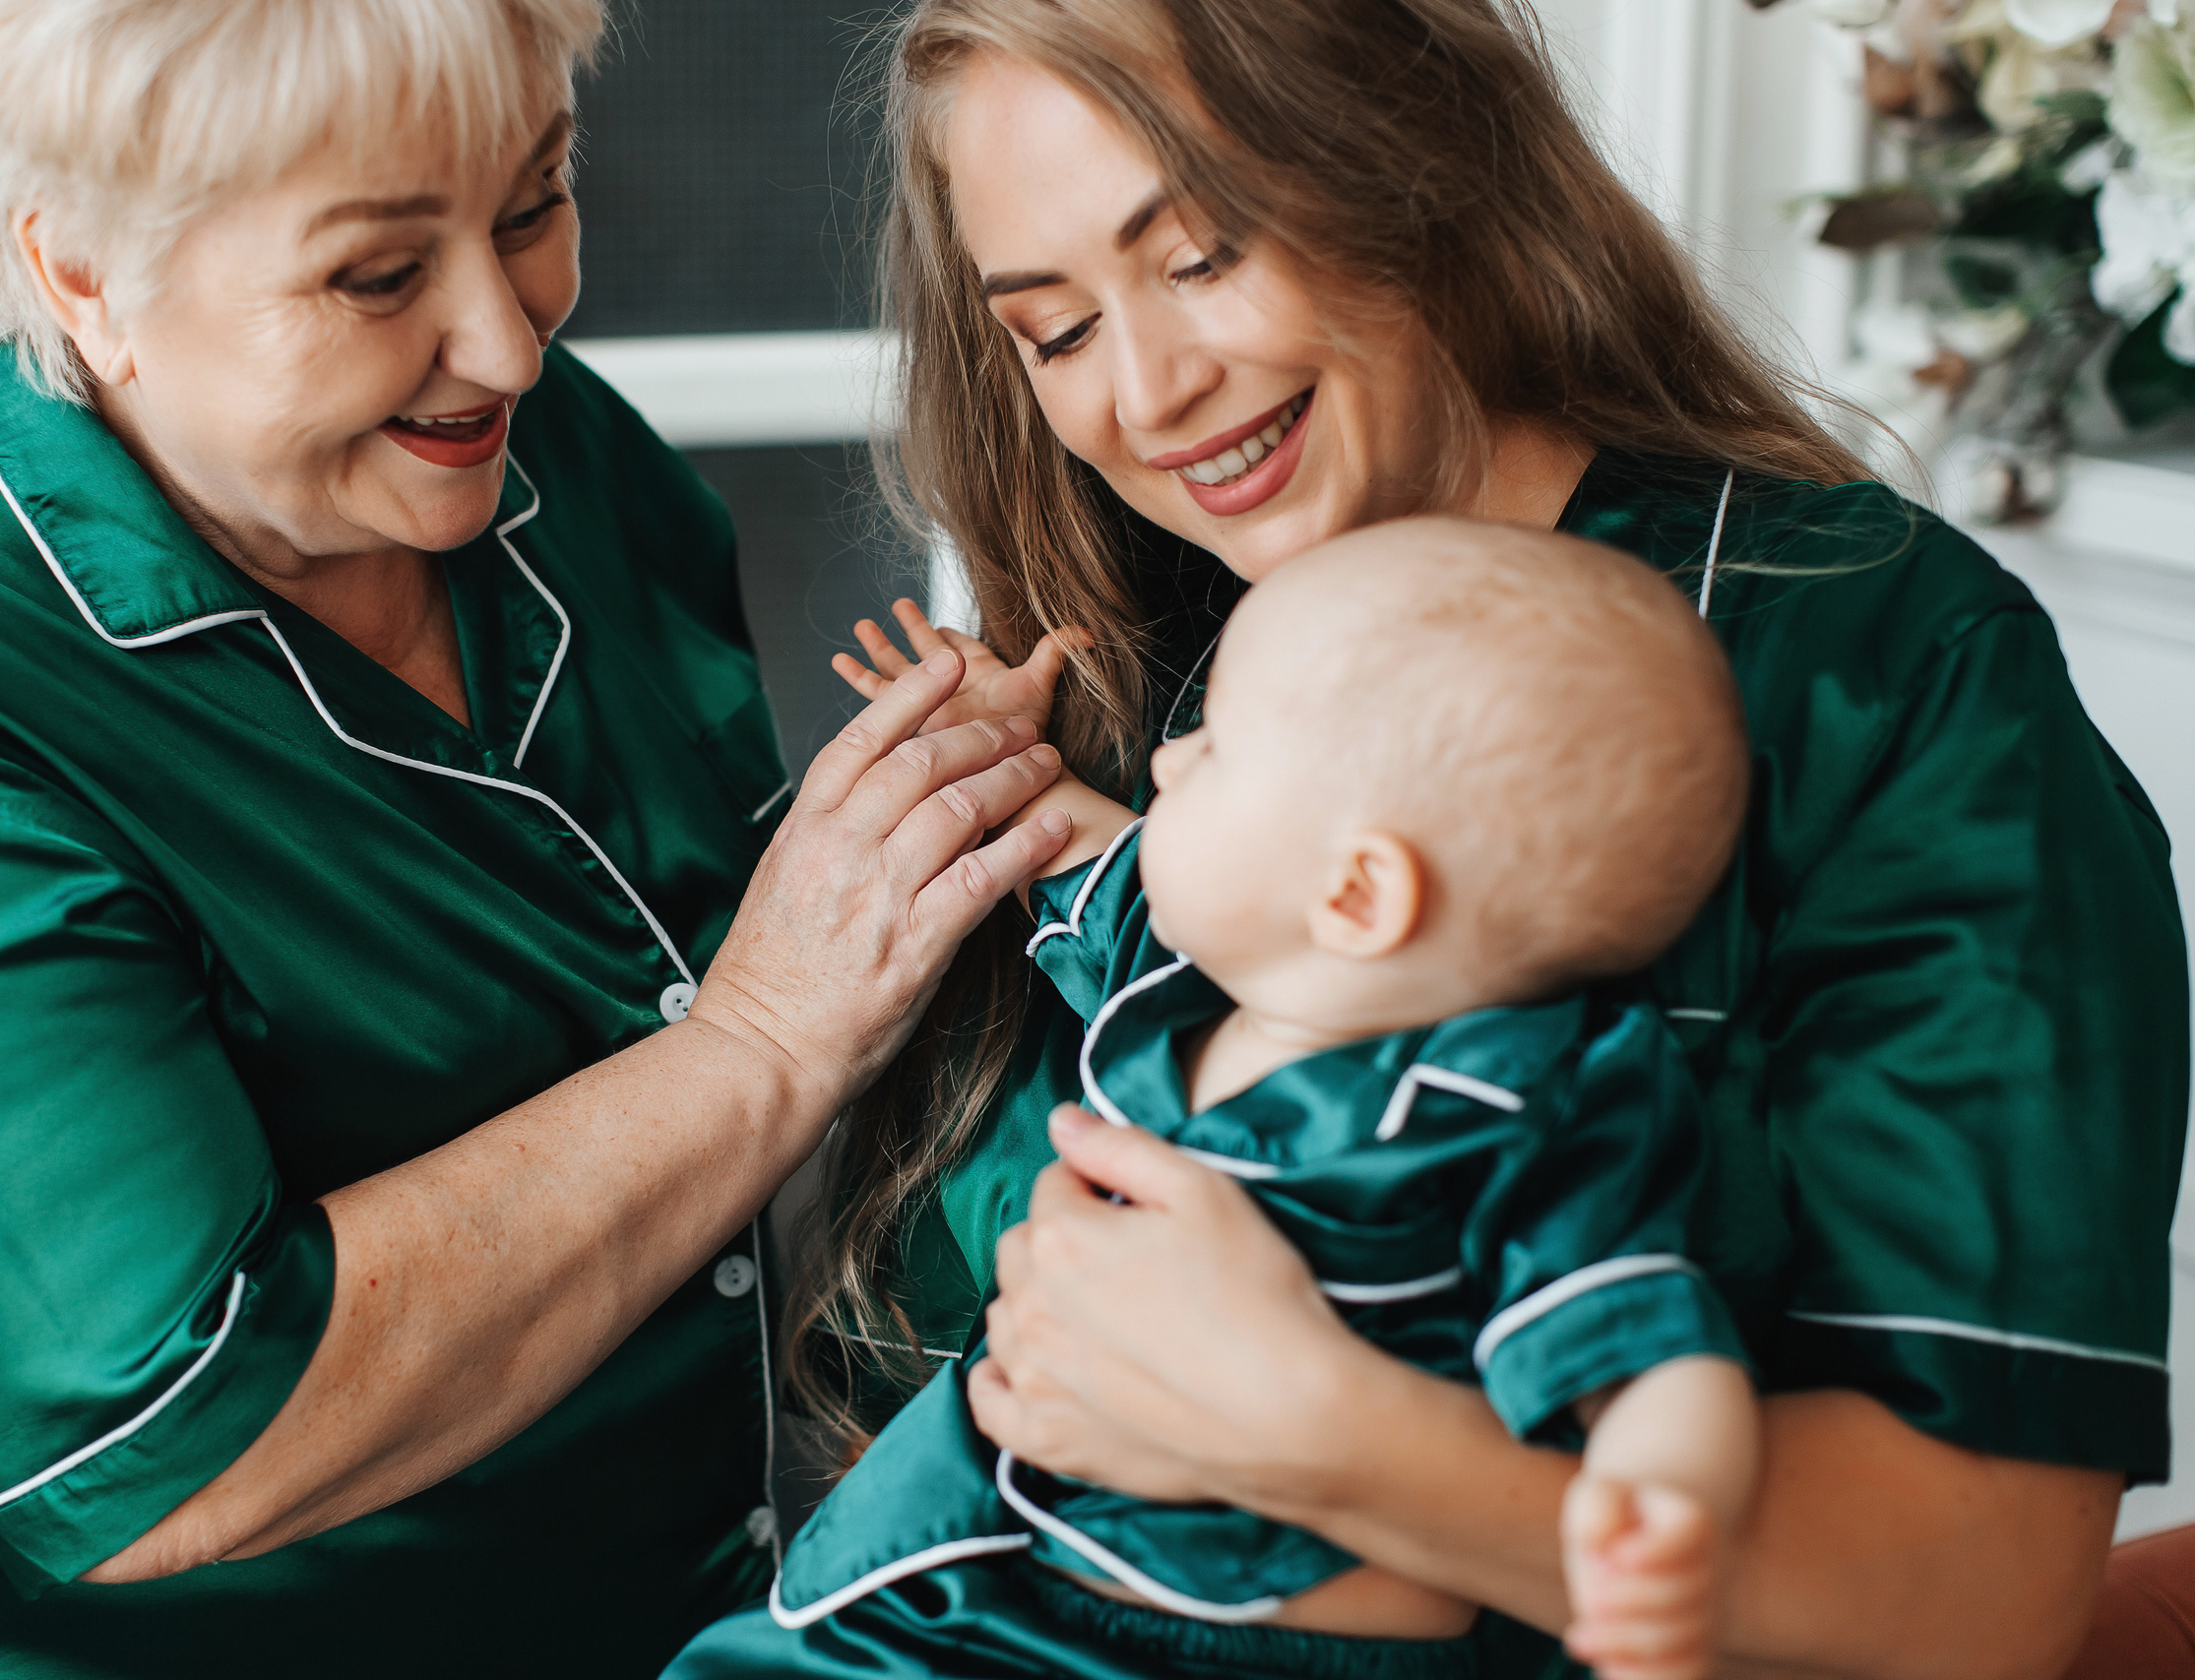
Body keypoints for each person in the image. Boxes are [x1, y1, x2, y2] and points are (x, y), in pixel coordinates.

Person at [765, 2, 2191, 1677]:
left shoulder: (1887, 678)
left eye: (1206, 253)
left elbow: (1981, 1593)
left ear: (1412, 161)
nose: (1149, 391)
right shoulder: (1114, 671)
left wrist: (1333, 1440)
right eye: (1058, 328)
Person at [0, 2, 1074, 1675]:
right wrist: (768, 1038)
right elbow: (171, 1439)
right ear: (82, 280)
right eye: (376, 278)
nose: (509, 341)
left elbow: (694, 939)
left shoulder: (534, 454)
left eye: (535, 203)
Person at [675, 521, 1765, 1680]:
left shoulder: (1514, 1094)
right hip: (1002, 1583)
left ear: (1353, 895)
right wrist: (984, 751)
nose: (1164, 761)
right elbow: (1066, 842)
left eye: (1220, 748)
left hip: (1255, 1651)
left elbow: (1641, 1339)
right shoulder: (1187, 977)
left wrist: (1659, 1519)